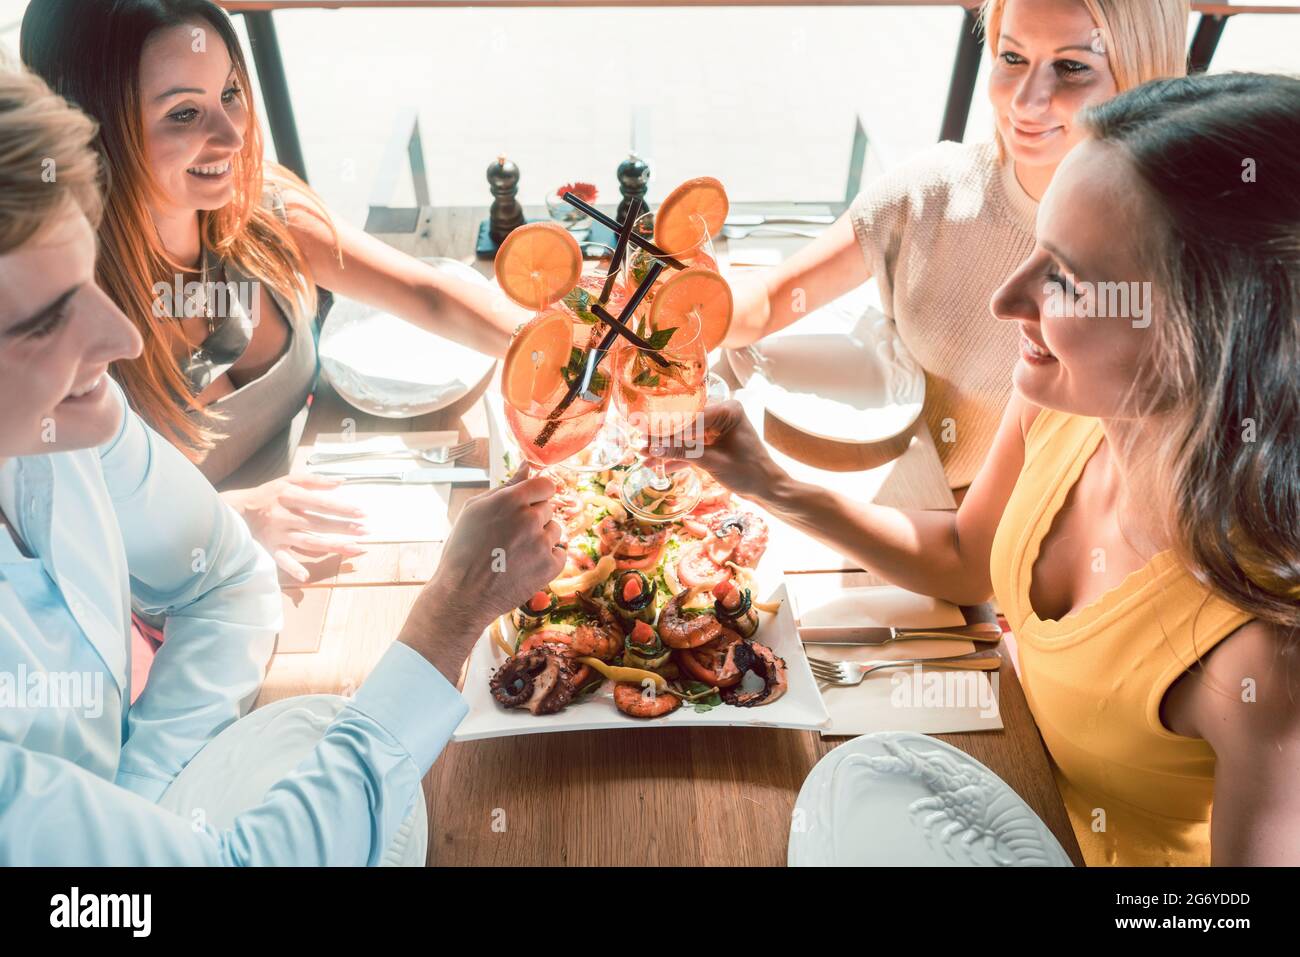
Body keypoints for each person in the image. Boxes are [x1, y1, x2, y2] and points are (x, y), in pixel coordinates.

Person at [663, 72, 1300, 865]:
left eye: (1064, 278)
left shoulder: (1266, 659)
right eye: (1038, 245)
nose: (1006, 298)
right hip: (998, 771)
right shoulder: (1066, 401)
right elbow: (970, 560)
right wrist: (768, 481)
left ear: (1208, 341)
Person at [0, 64, 565, 864]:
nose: (121, 338)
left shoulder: (62, 427)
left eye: (87, 275)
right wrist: (446, 620)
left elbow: (225, 580)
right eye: (50, 317)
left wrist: (140, 807)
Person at [21, 0, 531, 582]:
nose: (232, 134)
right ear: (90, 131)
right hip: (193, 594)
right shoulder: (54, 319)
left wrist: (559, 351)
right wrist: (234, 518)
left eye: (231, 93)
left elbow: (426, 295)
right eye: (185, 114)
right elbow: (63, 542)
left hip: (332, 531)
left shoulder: (258, 205)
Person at [724, 0, 1188, 493]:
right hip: (885, 489)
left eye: (1072, 67)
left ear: (1144, 83)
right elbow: (772, 300)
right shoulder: (930, 188)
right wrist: (666, 309)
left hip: (999, 547)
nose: (1026, 101)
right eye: (1012, 58)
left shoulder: (1158, 271)